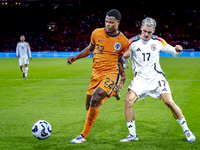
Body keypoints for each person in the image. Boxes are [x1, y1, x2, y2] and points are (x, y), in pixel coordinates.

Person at [120, 17, 196, 142]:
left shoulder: (159, 41)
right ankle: (132, 135)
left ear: (153, 31)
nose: (146, 34)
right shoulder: (131, 43)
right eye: (144, 31)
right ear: (141, 28)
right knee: (128, 101)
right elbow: (122, 61)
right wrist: (125, 57)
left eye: (149, 32)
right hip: (140, 79)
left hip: (157, 78)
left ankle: (187, 130)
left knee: (169, 102)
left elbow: (174, 52)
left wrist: (179, 50)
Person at [67, 9, 129, 143]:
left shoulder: (123, 41)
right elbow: (90, 49)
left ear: (118, 23)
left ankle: (83, 136)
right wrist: (76, 58)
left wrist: (123, 73)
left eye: (111, 22)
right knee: (89, 106)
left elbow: (121, 59)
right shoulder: (96, 33)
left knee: (95, 98)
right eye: (106, 21)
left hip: (111, 73)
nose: (108, 24)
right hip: (96, 73)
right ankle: (112, 92)